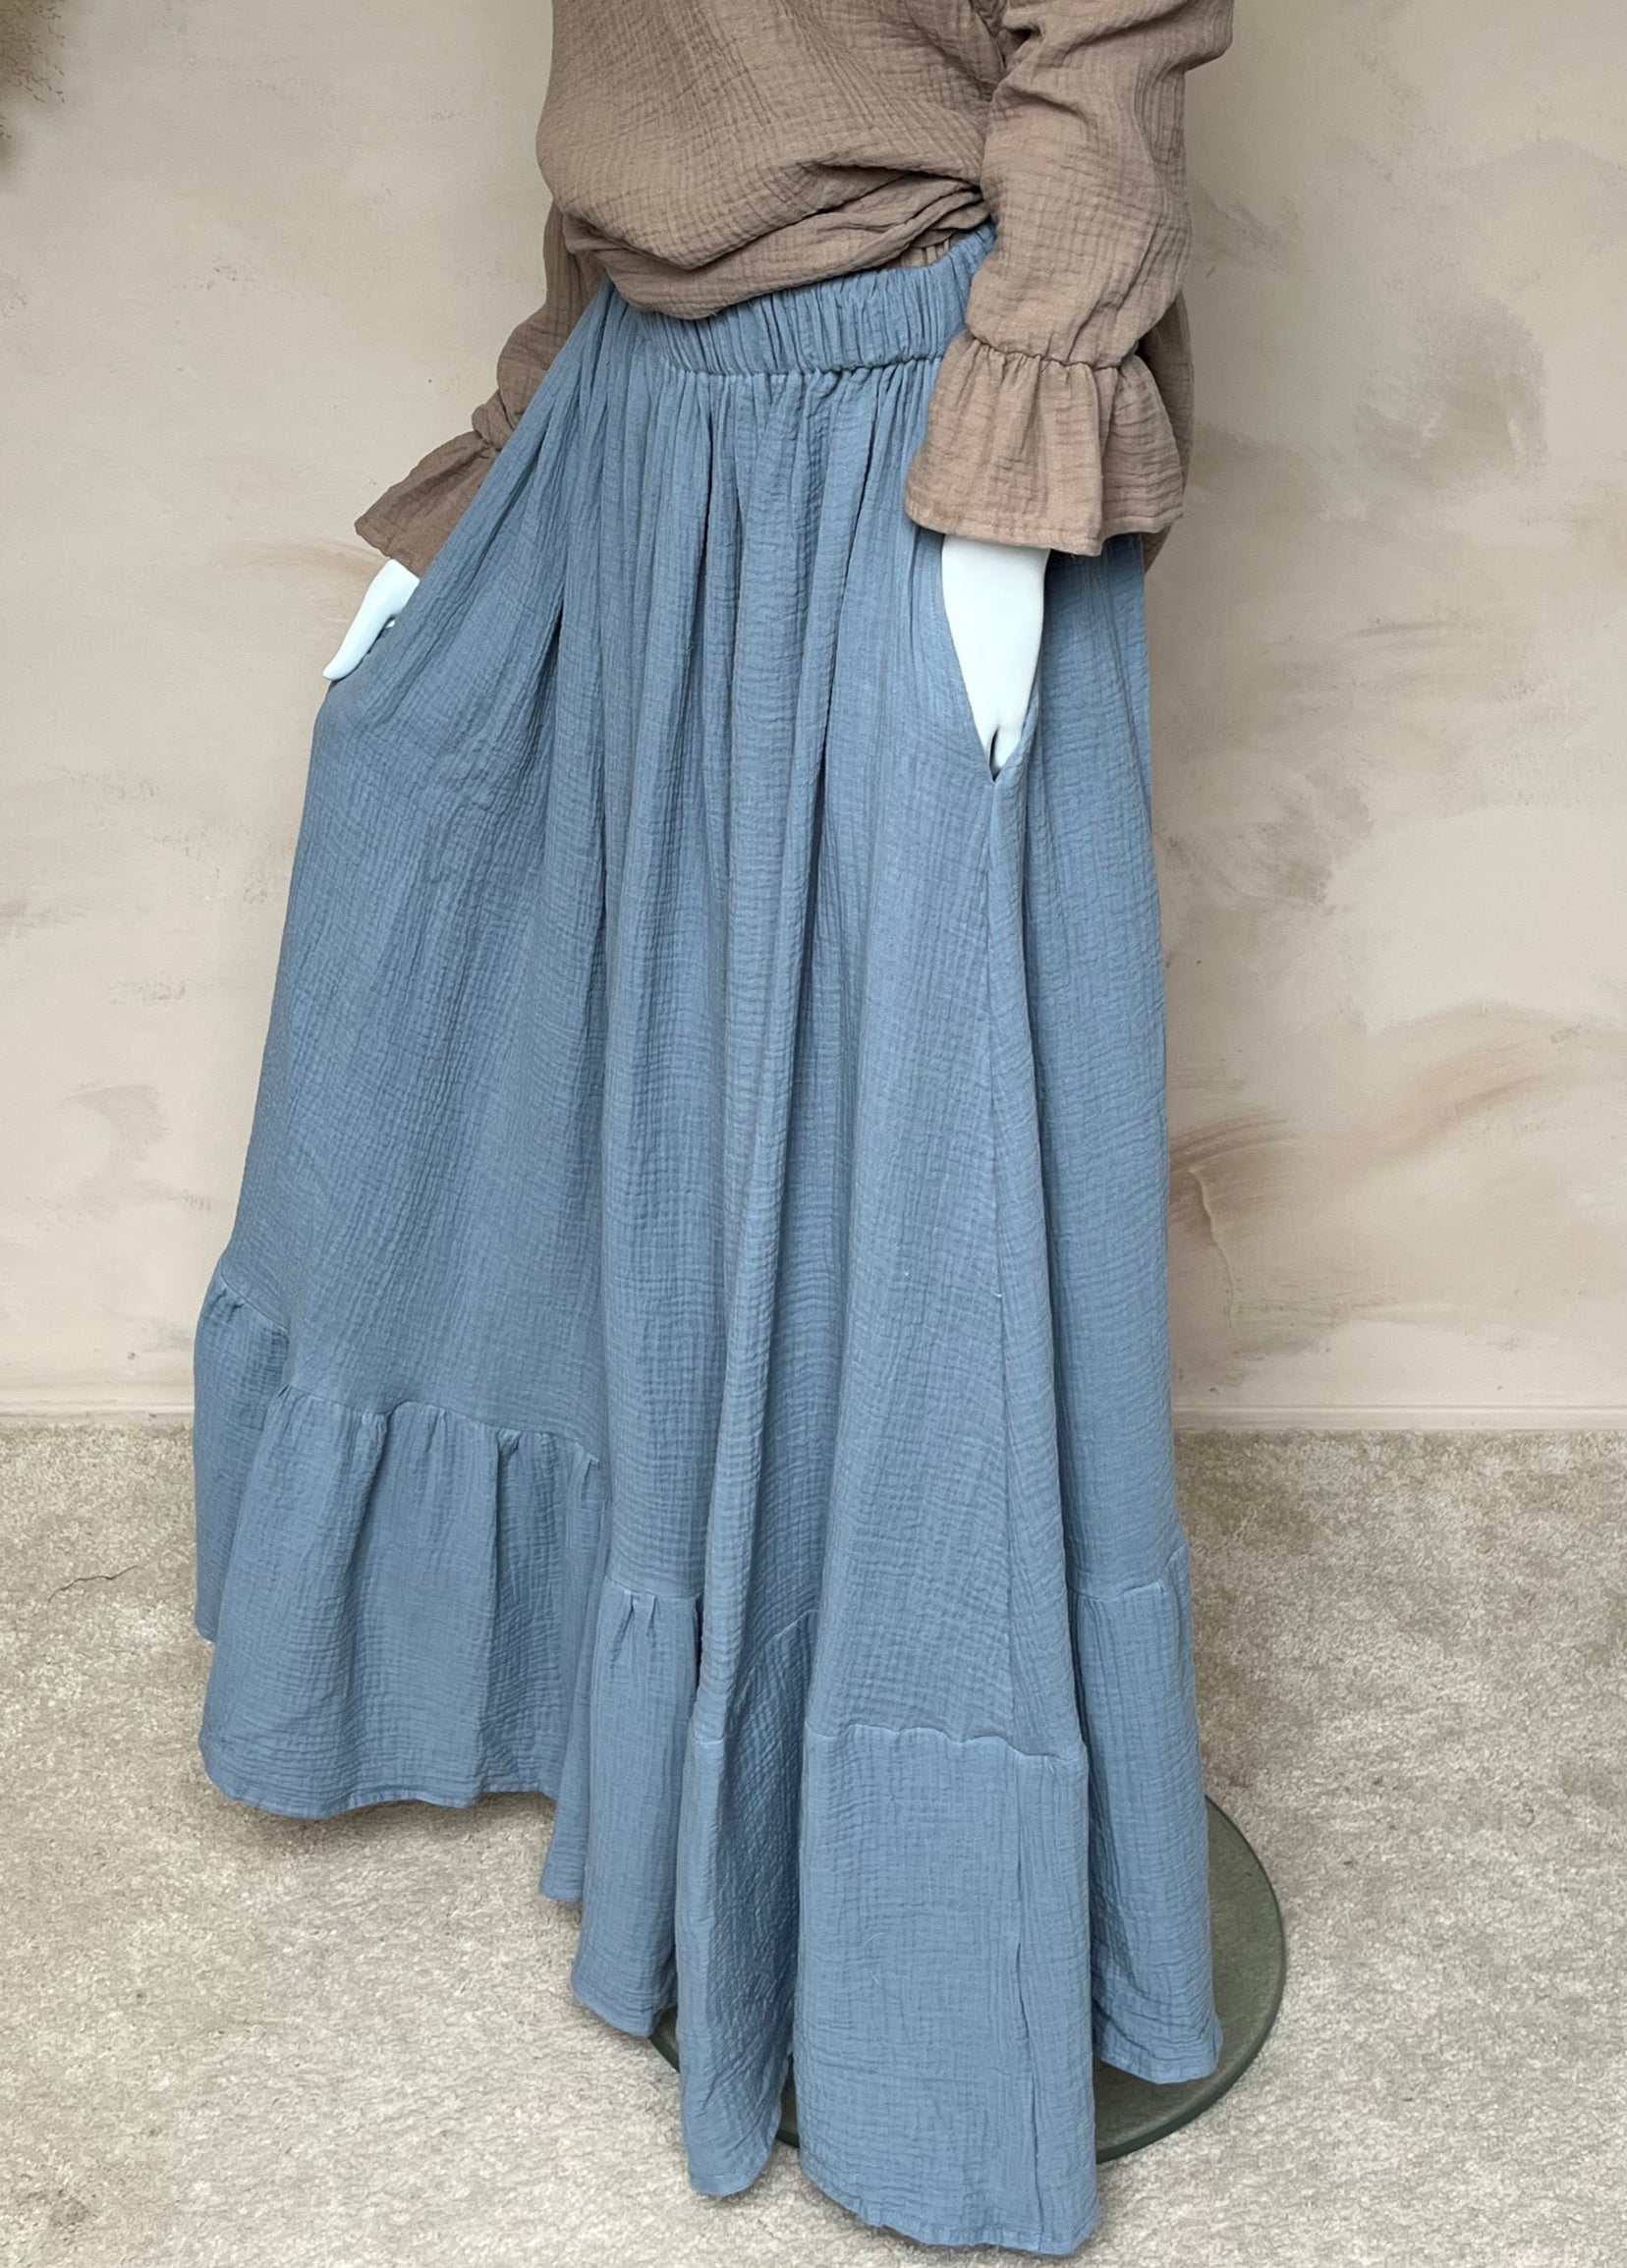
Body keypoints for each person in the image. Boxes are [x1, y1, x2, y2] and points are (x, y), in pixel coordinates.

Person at [192, 1, 1234, 2252]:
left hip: (902, 415)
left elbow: (1104, 34)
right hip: (635, 424)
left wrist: (1015, 448)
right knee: (601, 1111)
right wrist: (509, 454)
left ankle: (919, 1918)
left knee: (918, 1185)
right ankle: (694, 1787)